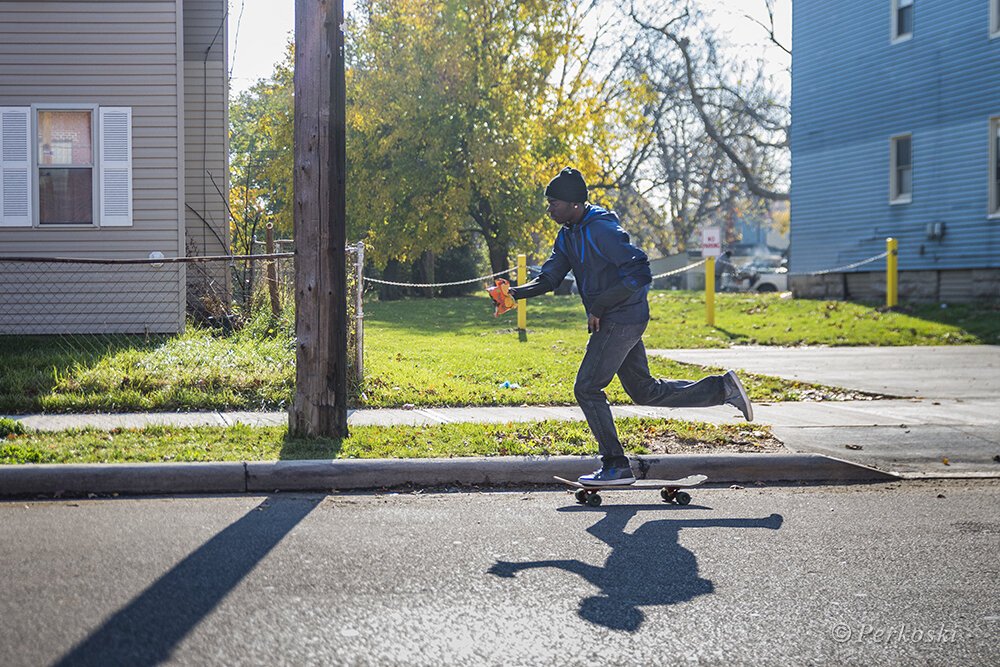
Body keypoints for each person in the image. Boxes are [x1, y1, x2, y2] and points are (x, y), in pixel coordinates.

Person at [509, 167, 753, 486]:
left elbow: (639, 272)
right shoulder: (568, 233)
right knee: (643, 390)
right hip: (617, 319)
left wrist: (599, 305)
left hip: (622, 317)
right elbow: (551, 276)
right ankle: (723, 389)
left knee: (587, 387)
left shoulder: (601, 230)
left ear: (574, 204)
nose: (549, 208)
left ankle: (615, 464)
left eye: (553, 202)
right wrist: (515, 293)